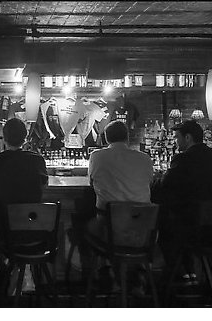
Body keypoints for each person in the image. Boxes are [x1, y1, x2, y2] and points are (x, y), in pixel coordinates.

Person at [150, 119, 212, 285]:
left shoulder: (183, 159)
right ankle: (191, 274)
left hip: (191, 229)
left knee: (163, 224)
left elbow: (165, 185)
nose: (176, 141)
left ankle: (177, 275)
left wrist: (153, 181)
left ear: (188, 138)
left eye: (177, 137)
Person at [85, 119, 154, 293]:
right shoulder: (145, 158)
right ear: (127, 138)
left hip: (108, 229)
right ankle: (135, 275)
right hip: (143, 233)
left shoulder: (96, 156)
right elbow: (150, 182)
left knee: (85, 227)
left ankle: (104, 273)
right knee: (121, 230)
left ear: (106, 139)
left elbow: (91, 182)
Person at [0, 117, 48, 226]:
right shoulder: (38, 160)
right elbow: (45, 185)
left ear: (4, 138)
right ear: (25, 138)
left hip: (2, 227)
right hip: (32, 226)